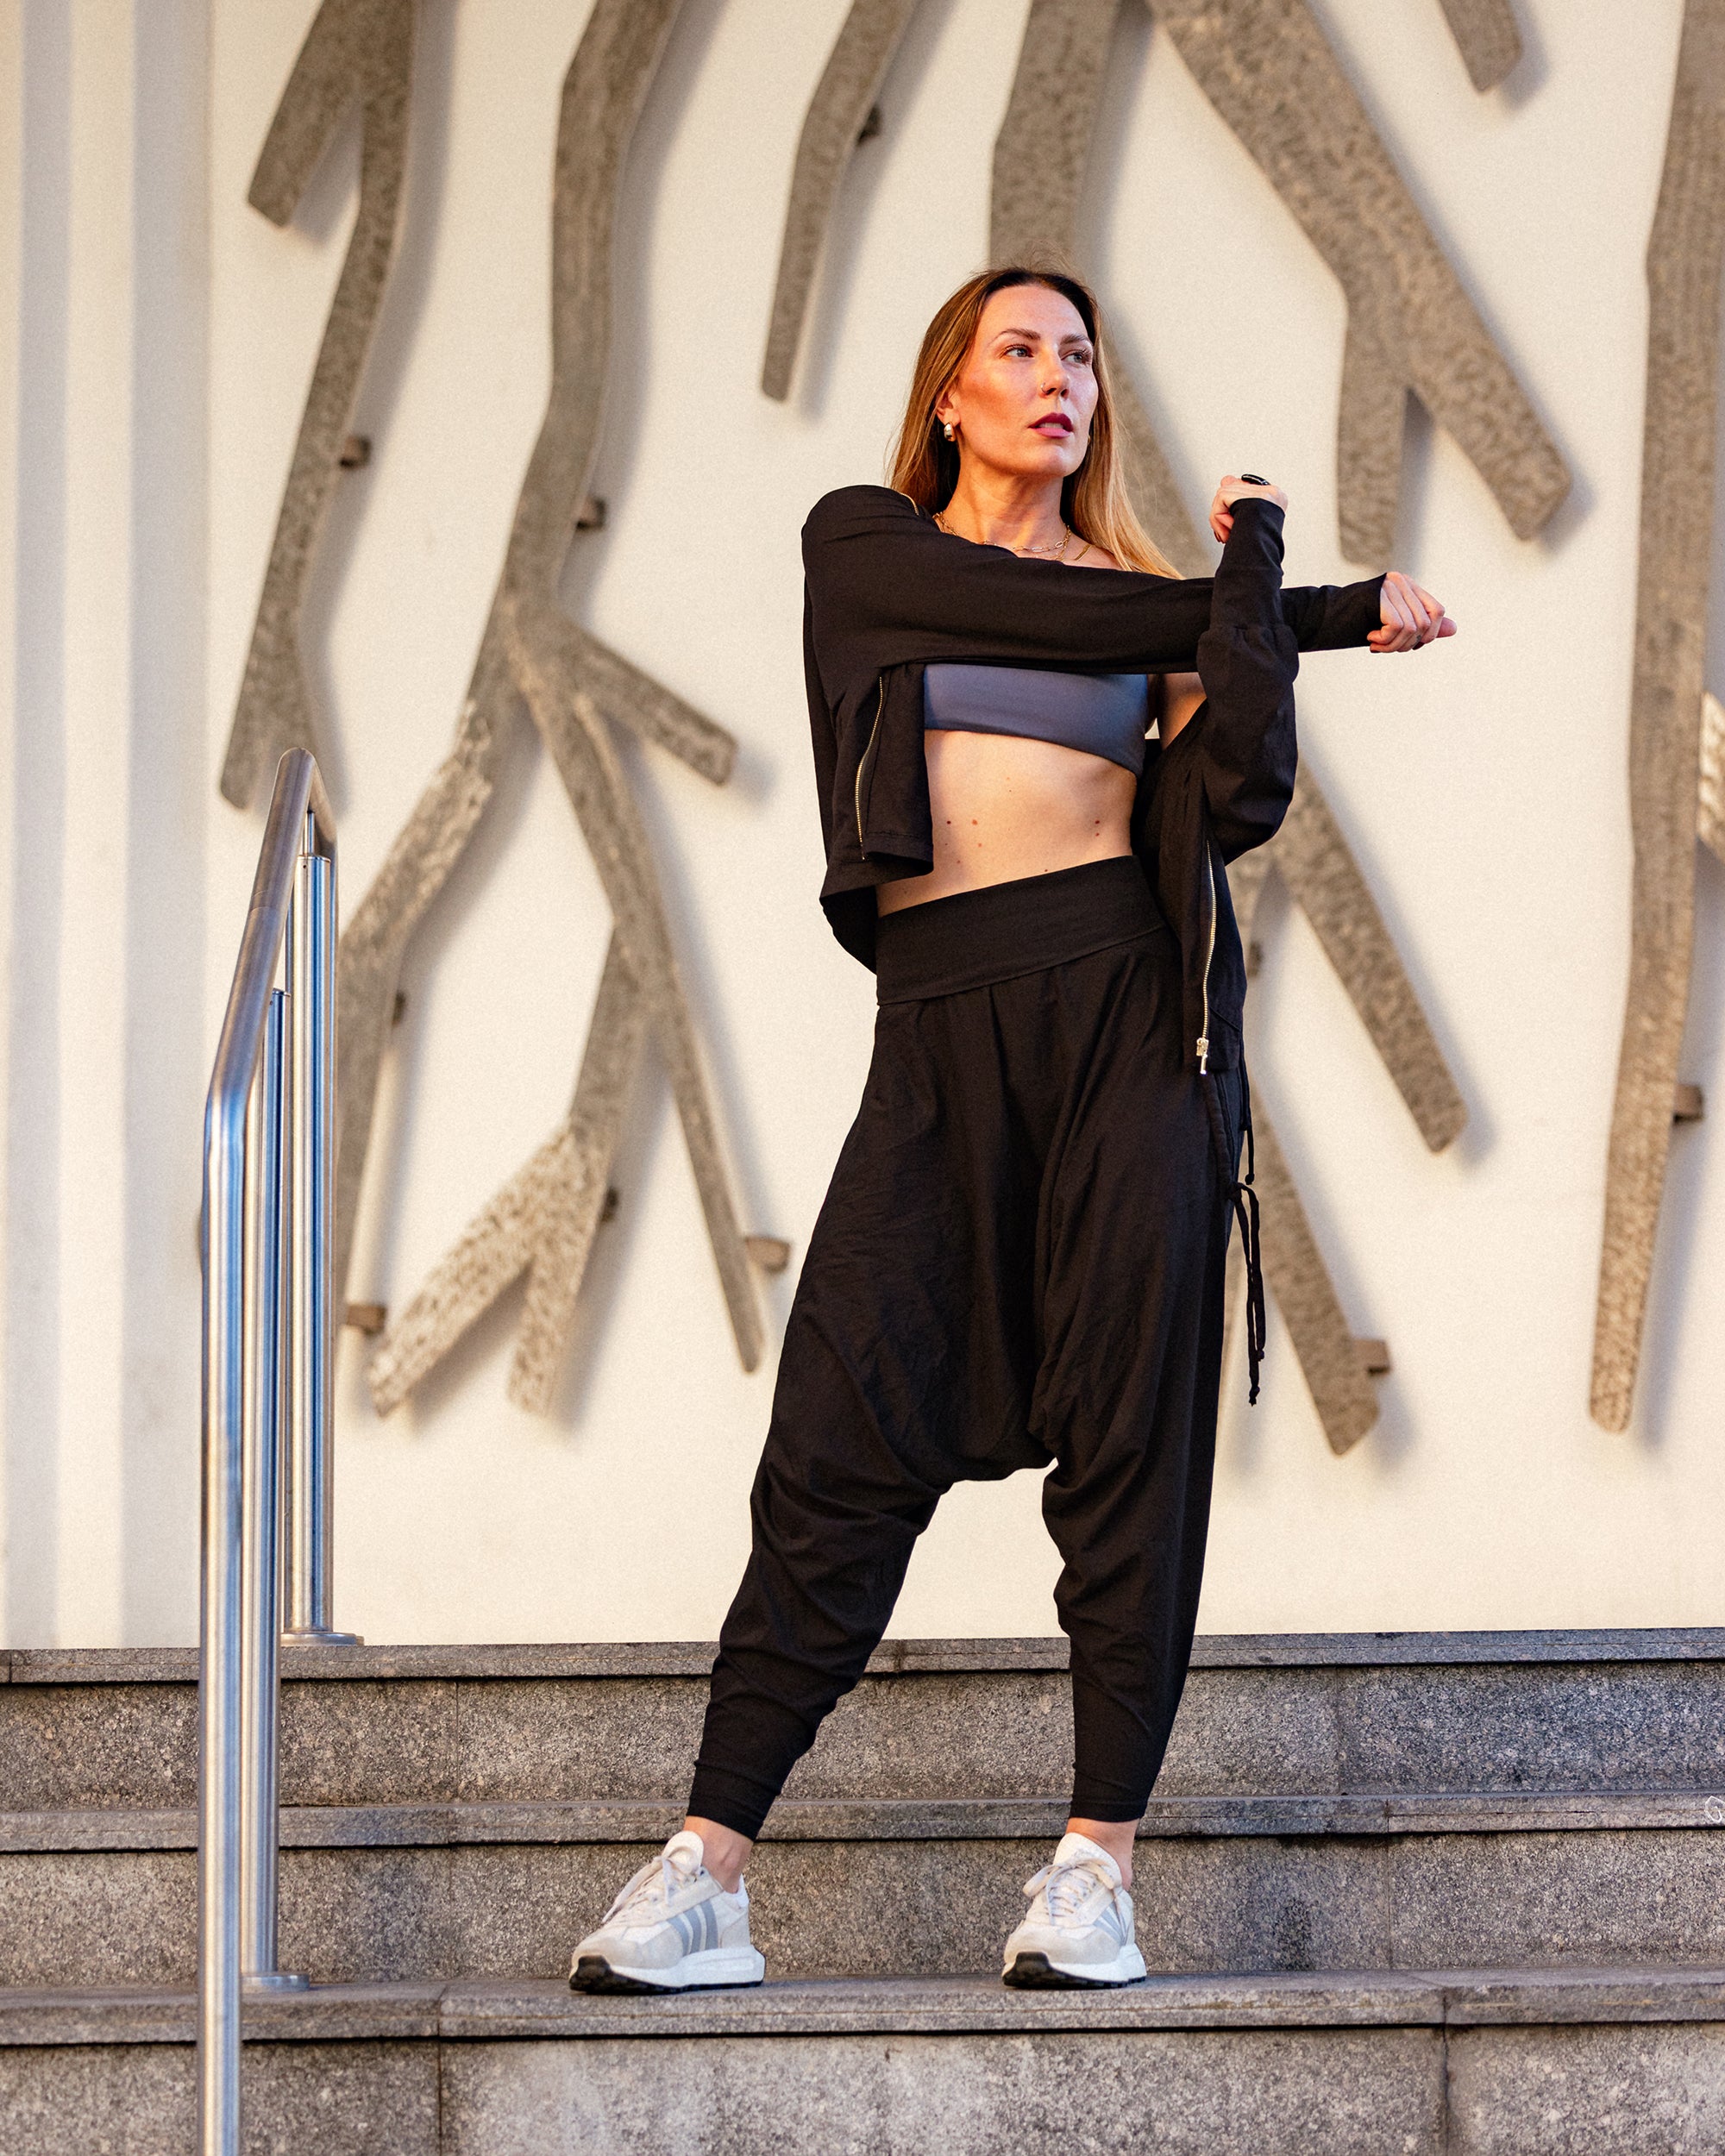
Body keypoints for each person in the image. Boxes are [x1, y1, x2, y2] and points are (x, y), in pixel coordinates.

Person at [569, 266, 1452, 1996]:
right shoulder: (869, 549)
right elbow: (1051, 628)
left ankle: (1092, 1865)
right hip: (939, 1027)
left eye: (1081, 358)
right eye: (1019, 351)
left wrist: (1256, 592)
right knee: (837, 1427)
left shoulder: (1155, 604)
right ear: (952, 396)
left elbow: (1245, 791)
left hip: (1128, 1021)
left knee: (1133, 1433)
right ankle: (706, 1867)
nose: (1058, 379)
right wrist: (1303, 596)